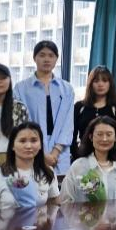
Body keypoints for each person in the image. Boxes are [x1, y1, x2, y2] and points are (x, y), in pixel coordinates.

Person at [14, 40, 74, 174]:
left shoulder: (67, 89)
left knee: (59, 185)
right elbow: (21, 123)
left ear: (56, 59)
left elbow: (68, 124)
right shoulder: (21, 88)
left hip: (59, 151)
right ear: (34, 58)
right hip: (31, 148)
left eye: (51, 55)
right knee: (30, 183)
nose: (46, 59)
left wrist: (55, 151)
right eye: (42, 55)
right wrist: (41, 153)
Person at [0, 122, 61, 212]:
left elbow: (55, 209)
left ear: (40, 145)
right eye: (22, 141)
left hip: (38, 221)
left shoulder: (48, 172)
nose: (28, 146)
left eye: (34, 141)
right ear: (12, 146)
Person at [61, 116, 116, 202]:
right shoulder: (78, 166)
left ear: (115, 137)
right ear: (91, 137)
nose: (104, 139)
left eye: (109, 134)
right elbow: (65, 200)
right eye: (99, 134)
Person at [71, 65, 116, 160]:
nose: (100, 84)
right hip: (82, 157)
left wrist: (114, 157)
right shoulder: (79, 107)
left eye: (104, 81)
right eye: (96, 81)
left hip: (109, 158)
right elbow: (72, 135)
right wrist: (77, 155)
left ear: (110, 84)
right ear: (90, 84)